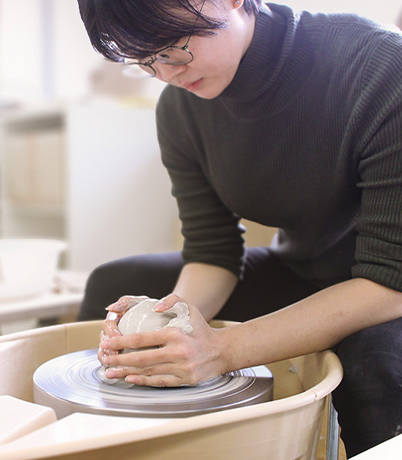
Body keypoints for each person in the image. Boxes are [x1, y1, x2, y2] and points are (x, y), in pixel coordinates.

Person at [75, 0, 402, 457]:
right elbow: (212, 251)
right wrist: (168, 326)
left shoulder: (378, 64)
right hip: (303, 267)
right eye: (145, 61)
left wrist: (225, 350)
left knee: (375, 361)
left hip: (386, 286)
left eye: (172, 47)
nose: (166, 74)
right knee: (115, 284)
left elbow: (391, 280)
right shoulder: (180, 108)